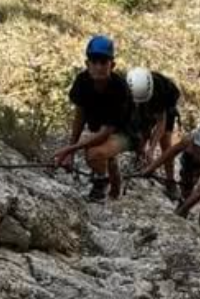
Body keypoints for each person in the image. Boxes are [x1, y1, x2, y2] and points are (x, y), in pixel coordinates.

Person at [52, 34, 139, 200]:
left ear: (111, 65)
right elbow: (80, 116)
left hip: (126, 133)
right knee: (100, 151)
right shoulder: (82, 82)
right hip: (102, 128)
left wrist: (70, 150)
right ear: (87, 64)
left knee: (94, 153)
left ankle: (100, 185)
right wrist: (70, 151)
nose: (98, 66)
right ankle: (115, 193)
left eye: (103, 62)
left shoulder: (119, 88)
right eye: (94, 61)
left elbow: (108, 131)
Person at [125, 65, 183, 197]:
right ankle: (141, 161)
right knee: (140, 135)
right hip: (138, 101)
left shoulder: (160, 92)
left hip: (164, 106)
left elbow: (161, 123)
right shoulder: (126, 86)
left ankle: (170, 181)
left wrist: (151, 148)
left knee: (166, 143)